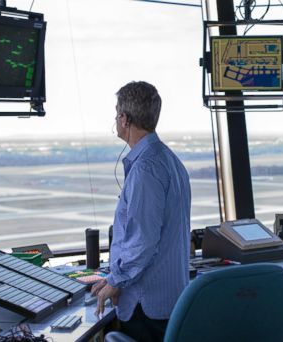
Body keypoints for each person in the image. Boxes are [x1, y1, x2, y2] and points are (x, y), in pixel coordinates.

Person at [92, 81, 191, 342]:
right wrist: (113, 277)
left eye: (117, 114)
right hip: (169, 300)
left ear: (124, 119)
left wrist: (116, 281)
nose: (115, 119)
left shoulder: (145, 169)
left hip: (147, 304)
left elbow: (142, 241)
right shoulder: (170, 160)